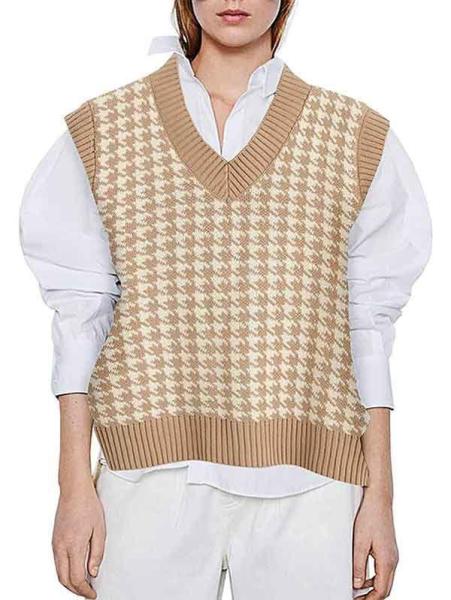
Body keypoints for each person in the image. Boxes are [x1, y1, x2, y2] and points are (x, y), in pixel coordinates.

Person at [20, 1, 432, 599]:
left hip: (312, 484)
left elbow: (369, 327)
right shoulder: (106, 131)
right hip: (148, 481)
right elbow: (79, 319)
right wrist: (73, 487)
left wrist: (381, 497)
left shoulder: (354, 137)